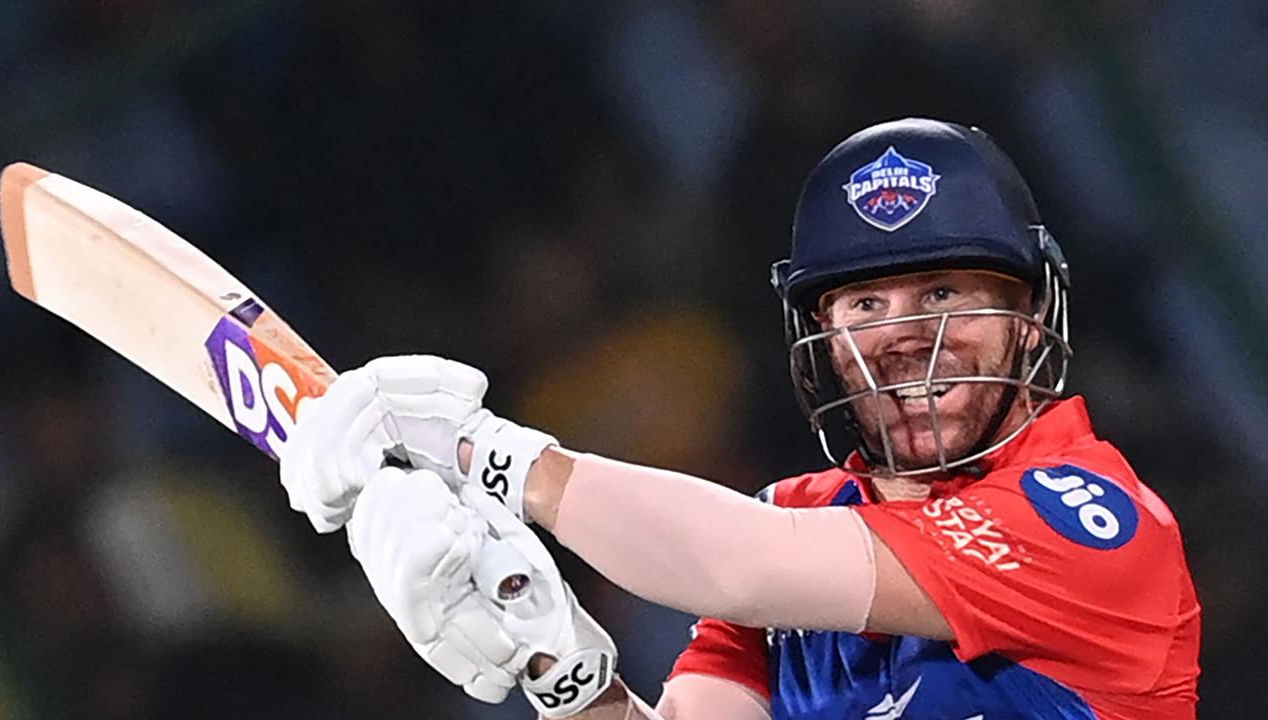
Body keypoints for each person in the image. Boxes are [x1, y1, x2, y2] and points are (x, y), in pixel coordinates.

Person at [279, 118, 1200, 719]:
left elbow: (739, 565)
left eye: (947, 291)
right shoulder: (797, 513)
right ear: (821, 340)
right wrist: (560, 670)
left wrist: (483, 451)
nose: (910, 337)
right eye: (866, 307)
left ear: (1031, 320)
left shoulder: (1090, 522)